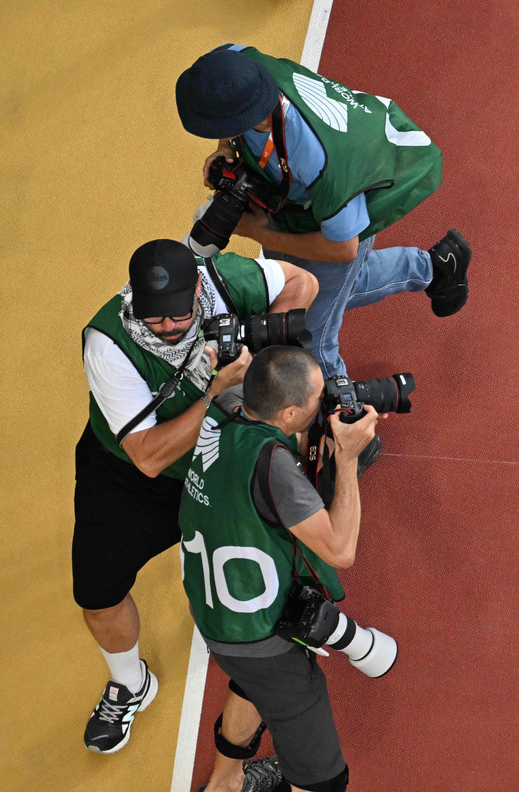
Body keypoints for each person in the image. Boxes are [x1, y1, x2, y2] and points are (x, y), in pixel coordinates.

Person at [77, 239, 316, 756]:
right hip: (134, 479)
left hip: (223, 461)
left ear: (200, 290)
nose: (165, 328)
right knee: (97, 596)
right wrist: (215, 388)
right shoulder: (108, 343)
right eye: (153, 318)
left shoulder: (226, 279)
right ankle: (130, 683)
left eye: (177, 317)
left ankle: (260, 695)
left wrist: (262, 358)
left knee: (274, 585)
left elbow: (303, 283)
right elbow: (147, 454)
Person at [176, 45, 471, 380]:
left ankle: (347, 422)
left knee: (309, 339)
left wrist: (259, 232)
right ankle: (435, 267)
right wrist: (225, 147)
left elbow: (343, 249)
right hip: (290, 204)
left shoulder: (316, 158)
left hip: (337, 215)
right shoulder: (236, 63)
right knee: (315, 290)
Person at [179, 346, 382, 792]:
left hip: (216, 612)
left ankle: (225, 784)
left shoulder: (226, 407)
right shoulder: (275, 469)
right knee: (322, 779)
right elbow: (340, 549)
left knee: (250, 687)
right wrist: (346, 458)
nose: (321, 408)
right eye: (315, 404)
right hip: (261, 637)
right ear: (289, 413)